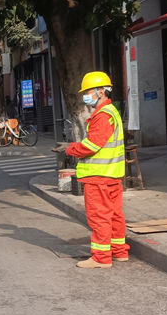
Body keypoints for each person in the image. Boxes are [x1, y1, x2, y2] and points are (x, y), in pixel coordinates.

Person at [53, 71, 129, 269]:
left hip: (99, 177)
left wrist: (69, 149)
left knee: (99, 216)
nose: (85, 96)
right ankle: (119, 252)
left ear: (101, 91)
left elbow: (91, 146)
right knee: (114, 214)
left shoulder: (102, 116)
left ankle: (101, 258)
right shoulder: (111, 112)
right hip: (112, 174)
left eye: (88, 92)